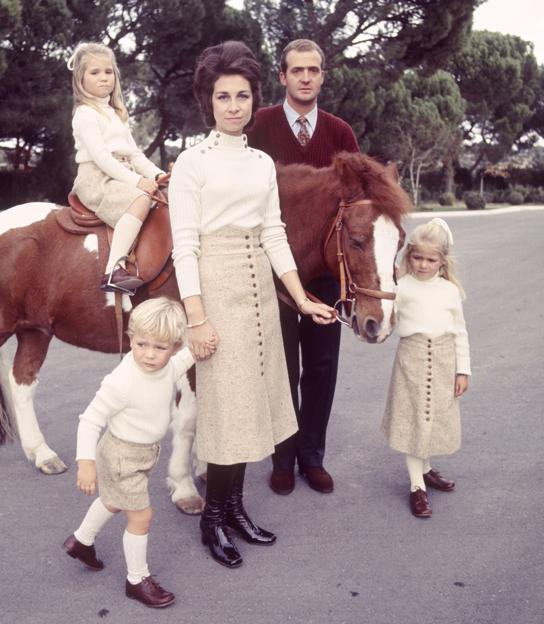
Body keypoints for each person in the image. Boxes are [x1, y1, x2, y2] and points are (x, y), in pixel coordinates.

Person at [168, 41, 336, 569]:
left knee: (247, 407)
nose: (235, 105)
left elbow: (273, 233)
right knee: (223, 408)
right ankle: (211, 520)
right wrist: (197, 317)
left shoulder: (263, 162)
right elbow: (185, 245)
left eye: (243, 95)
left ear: (253, 99)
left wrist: (301, 297)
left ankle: (234, 506)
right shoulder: (191, 163)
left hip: (261, 295)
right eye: (224, 96)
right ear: (208, 101)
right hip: (215, 290)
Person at [246, 39, 360, 496]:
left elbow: (357, 203)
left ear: (322, 76)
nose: (306, 77)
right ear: (283, 76)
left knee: (322, 366)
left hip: (328, 274)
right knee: (279, 366)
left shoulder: (340, 133)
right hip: (271, 271)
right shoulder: (259, 126)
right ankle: (283, 455)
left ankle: (312, 456)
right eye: (297, 70)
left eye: (314, 70)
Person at [63, 297, 194, 608]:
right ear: (130, 339)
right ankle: (137, 579)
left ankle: (81, 541)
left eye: (160, 348)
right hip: (122, 456)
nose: (149, 354)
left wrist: (200, 347)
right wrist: (85, 464)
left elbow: (178, 365)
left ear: (174, 346)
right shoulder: (121, 381)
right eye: (141, 344)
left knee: (111, 501)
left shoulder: (167, 364)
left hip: (143, 453)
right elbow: (90, 419)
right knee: (141, 516)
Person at [381, 218, 471, 518]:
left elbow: (460, 331)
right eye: (417, 257)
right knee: (414, 419)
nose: (422, 265)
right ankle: (416, 486)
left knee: (432, 418)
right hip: (412, 359)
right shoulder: (400, 287)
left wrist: (463, 370)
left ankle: (427, 468)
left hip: (445, 360)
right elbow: (382, 320)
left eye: (431, 259)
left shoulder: (449, 291)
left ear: (442, 261)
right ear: (409, 256)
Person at [67, 42, 169, 296]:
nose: (104, 77)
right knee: (142, 198)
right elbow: (102, 158)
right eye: (95, 72)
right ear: (80, 79)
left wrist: (157, 174)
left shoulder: (116, 113)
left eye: (108, 72)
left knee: (163, 197)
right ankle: (114, 268)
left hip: (120, 174)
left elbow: (134, 154)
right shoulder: (85, 114)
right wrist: (137, 182)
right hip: (96, 178)